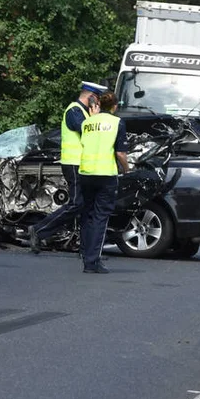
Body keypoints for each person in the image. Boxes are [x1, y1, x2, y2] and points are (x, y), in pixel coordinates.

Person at [29, 81, 106, 253]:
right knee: (76, 204)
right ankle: (39, 230)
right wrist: (95, 119)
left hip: (83, 165)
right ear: (91, 97)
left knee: (86, 206)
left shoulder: (84, 113)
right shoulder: (74, 111)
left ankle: (87, 249)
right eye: (98, 98)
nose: (99, 103)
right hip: (73, 164)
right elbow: (88, 132)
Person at [77, 91, 130, 274]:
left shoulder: (87, 123)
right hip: (105, 175)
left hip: (86, 173)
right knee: (101, 218)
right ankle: (93, 262)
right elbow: (120, 153)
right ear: (114, 106)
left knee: (89, 216)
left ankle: (86, 255)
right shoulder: (117, 123)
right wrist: (127, 169)